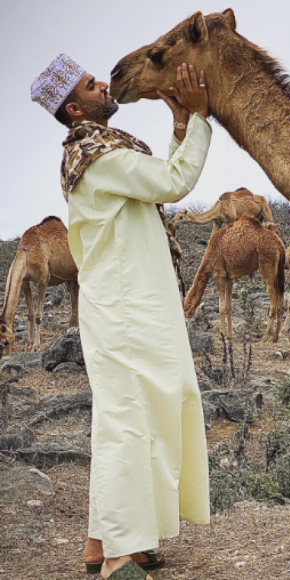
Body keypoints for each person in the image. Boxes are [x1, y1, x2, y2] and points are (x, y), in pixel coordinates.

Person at [31, 54, 212, 580]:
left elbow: (156, 179)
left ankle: (100, 542)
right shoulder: (97, 157)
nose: (103, 86)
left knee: (136, 411)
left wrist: (179, 126)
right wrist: (199, 118)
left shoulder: (100, 153)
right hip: (127, 306)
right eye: (91, 85)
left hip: (134, 301)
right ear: (73, 107)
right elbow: (173, 182)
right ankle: (116, 558)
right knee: (129, 419)